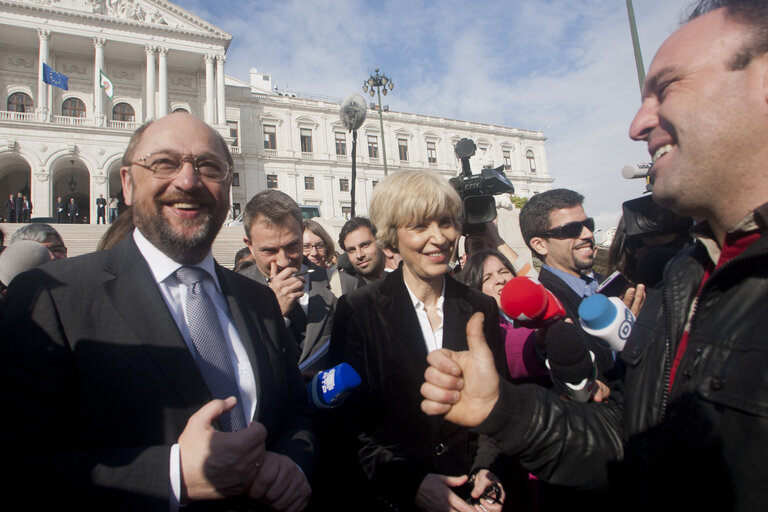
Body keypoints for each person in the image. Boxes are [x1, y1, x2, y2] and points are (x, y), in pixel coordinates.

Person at [421, 2, 768, 509]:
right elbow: (631, 442)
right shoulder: (684, 278)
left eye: (666, 89)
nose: (637, 124)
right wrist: (503, 409)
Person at [0, 112, 315, 510]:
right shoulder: (52, 298)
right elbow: (19, 463)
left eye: (209, 167)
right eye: (164, 163)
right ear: (128, 184)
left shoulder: (258, 300)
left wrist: (293, 462)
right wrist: (172, 475)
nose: (188, 181)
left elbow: (294, 412)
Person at [330, 170, 509, 512]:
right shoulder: (358, 310)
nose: (439, 237)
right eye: (420, 226)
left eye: (445, 222)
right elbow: (346, 425)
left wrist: (488, 468)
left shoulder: (481, 307)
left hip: (473, 496)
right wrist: (409, 484)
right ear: (392, 236)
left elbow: (500, 401)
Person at [519, 189, 644, 379]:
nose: (587, 234)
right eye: (571, 229)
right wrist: (624, 338)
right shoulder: (541, 309)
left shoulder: (617, 286)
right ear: (540, 245)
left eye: (588, 224)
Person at [240, 189, 336, 372]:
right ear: (250, 245)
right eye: (269, 250)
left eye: (292, 245)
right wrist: (276, 315)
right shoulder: (232, 293)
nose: (284, 261)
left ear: (301, 231)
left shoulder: (340, 283)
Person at [458, 250, 547, 382]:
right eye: (487, 278)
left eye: (504, 271)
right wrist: (537, 339)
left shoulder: (537, 310)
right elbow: (507, 346)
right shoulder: (482, 327)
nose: (500, 280)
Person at [304, 219, 359, 296]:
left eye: (319, 246)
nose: (314, 253)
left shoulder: (344, 283)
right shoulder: (284, 284)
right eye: (306, 246)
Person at [338, 216, 386, 283]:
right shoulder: (351, 291)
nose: (359, 255)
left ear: (380, 242)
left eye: (365, 245)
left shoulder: (403, 276)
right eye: (352, 250)